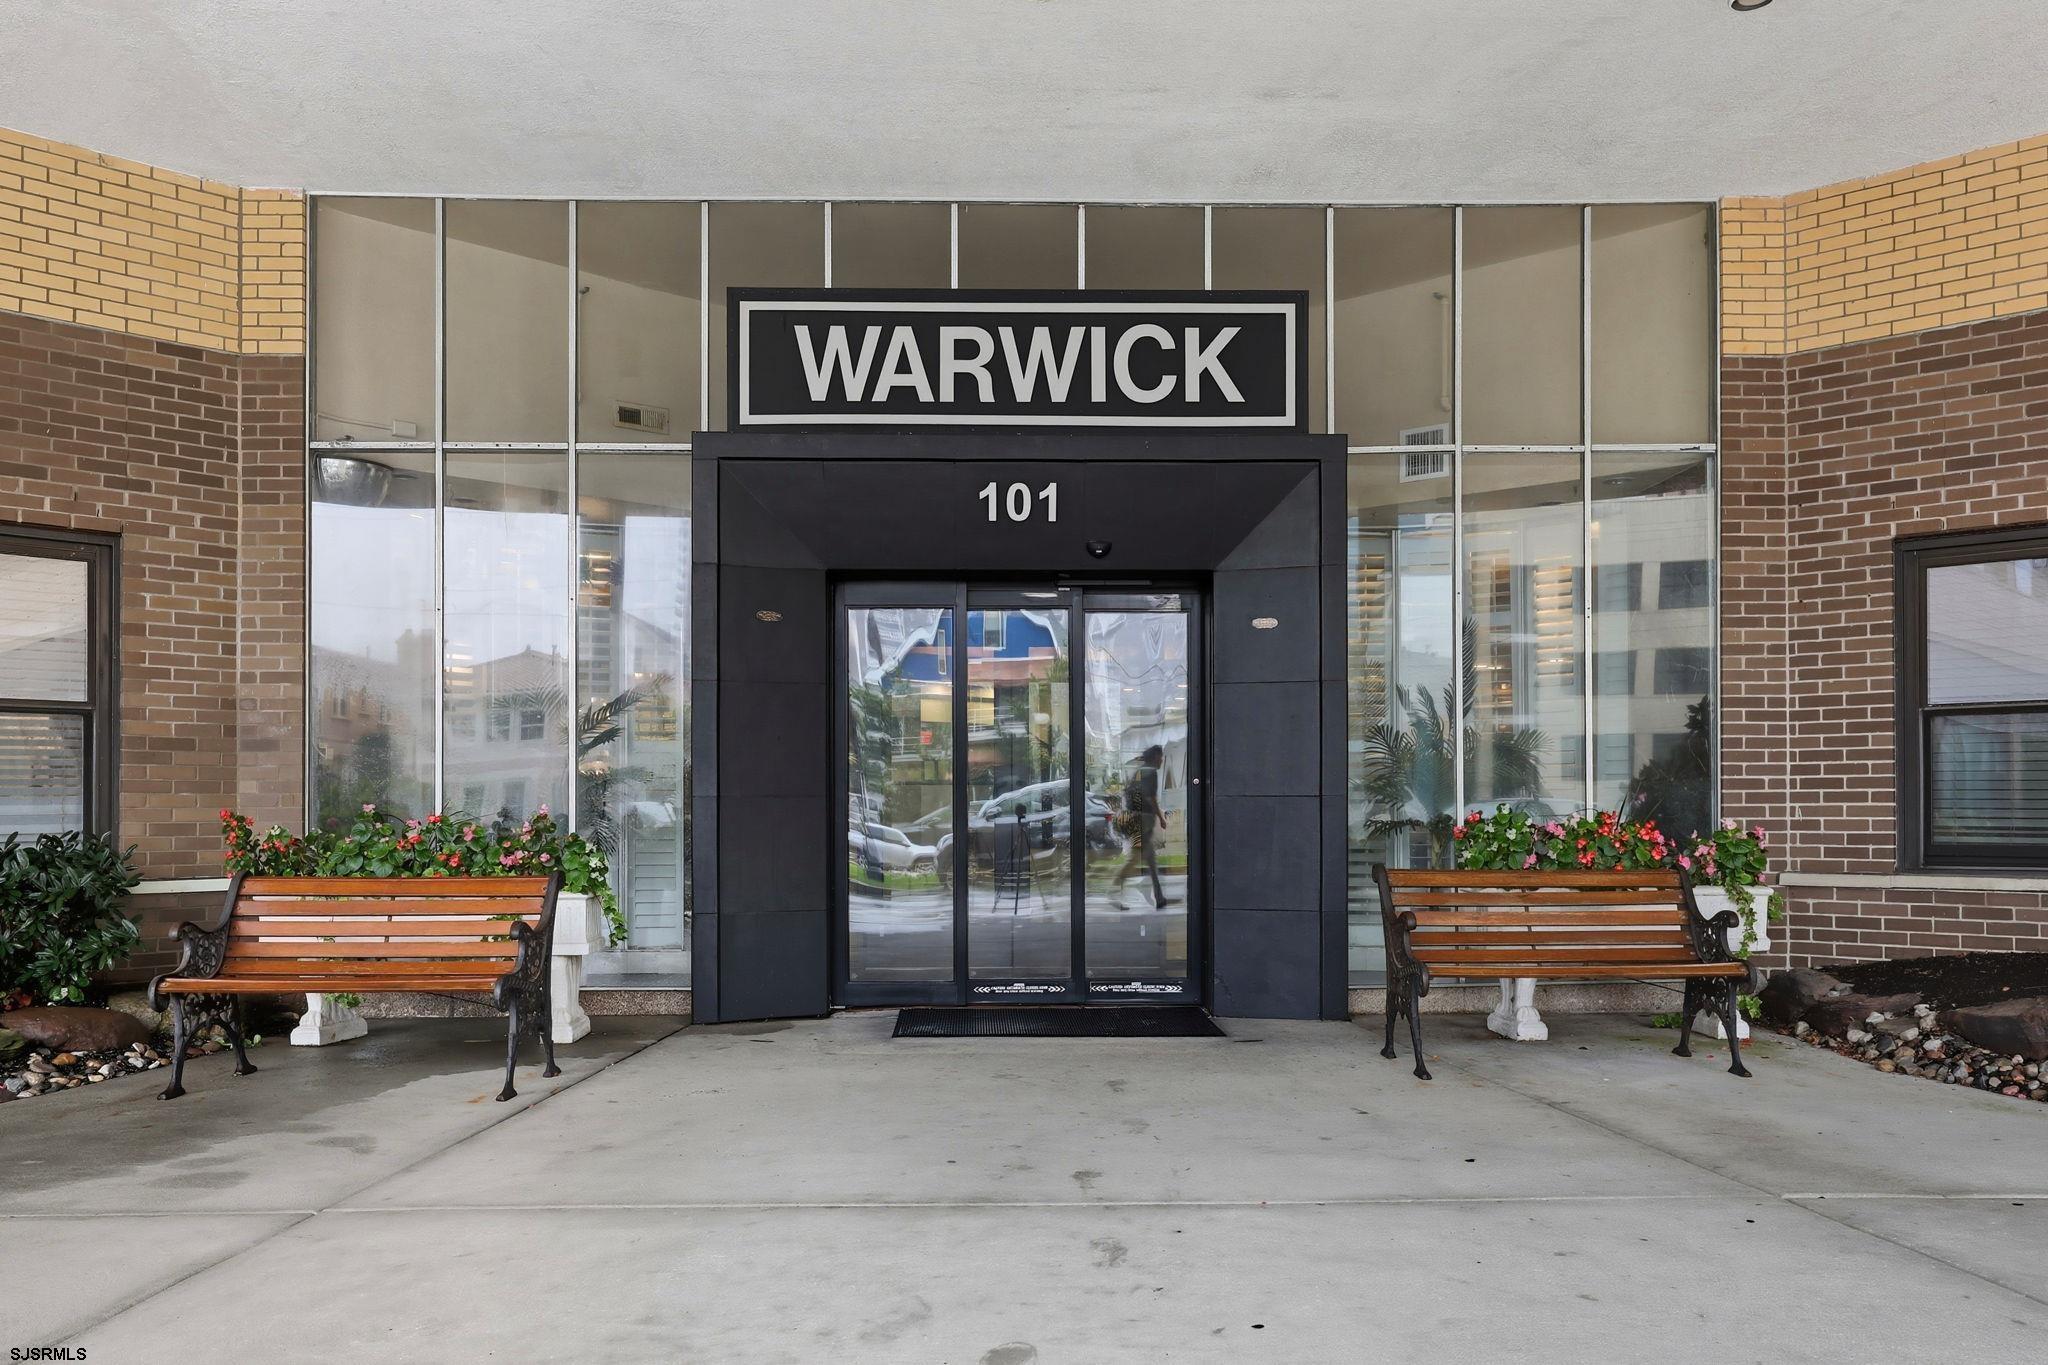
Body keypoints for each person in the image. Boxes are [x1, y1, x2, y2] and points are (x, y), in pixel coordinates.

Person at [1112, 745, 1173, 909]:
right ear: (1155, 757)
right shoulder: (1150, 772)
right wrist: (1161, 817)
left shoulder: (1140, 771)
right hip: (1142, 820)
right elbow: (1150, 797)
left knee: (1150, 859)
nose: (1162, 760)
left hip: (1137, 818)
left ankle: (1159, 897)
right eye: (1160, 757)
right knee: (1135, 858)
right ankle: (1113, 891)